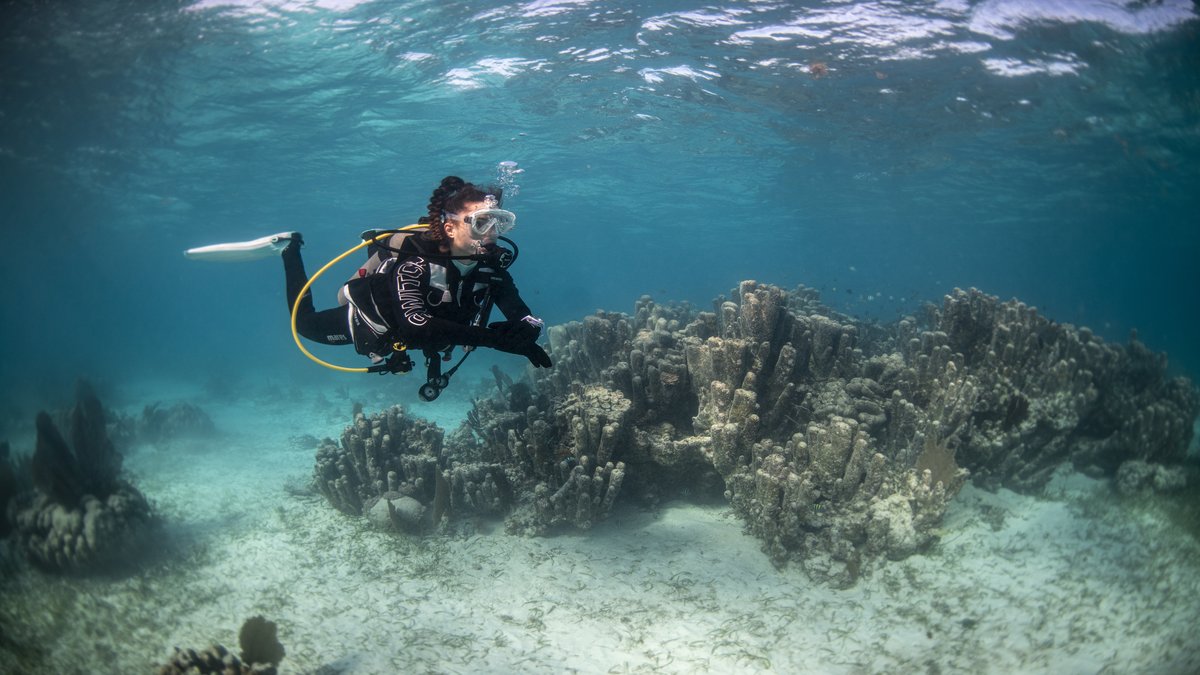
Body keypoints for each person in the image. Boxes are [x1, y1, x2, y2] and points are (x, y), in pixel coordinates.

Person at [275, 176, 552, 378]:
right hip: (372, 321)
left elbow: (519, 311)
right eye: (481, 222)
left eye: (499, 222)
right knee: (304, 324)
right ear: (450, 228)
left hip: (435, 334)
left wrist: (529, 330)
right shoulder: (416, 264)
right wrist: (496, 340)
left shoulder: (491, 268)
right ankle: (290, 249)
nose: (492, 232)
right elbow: (415, 325)